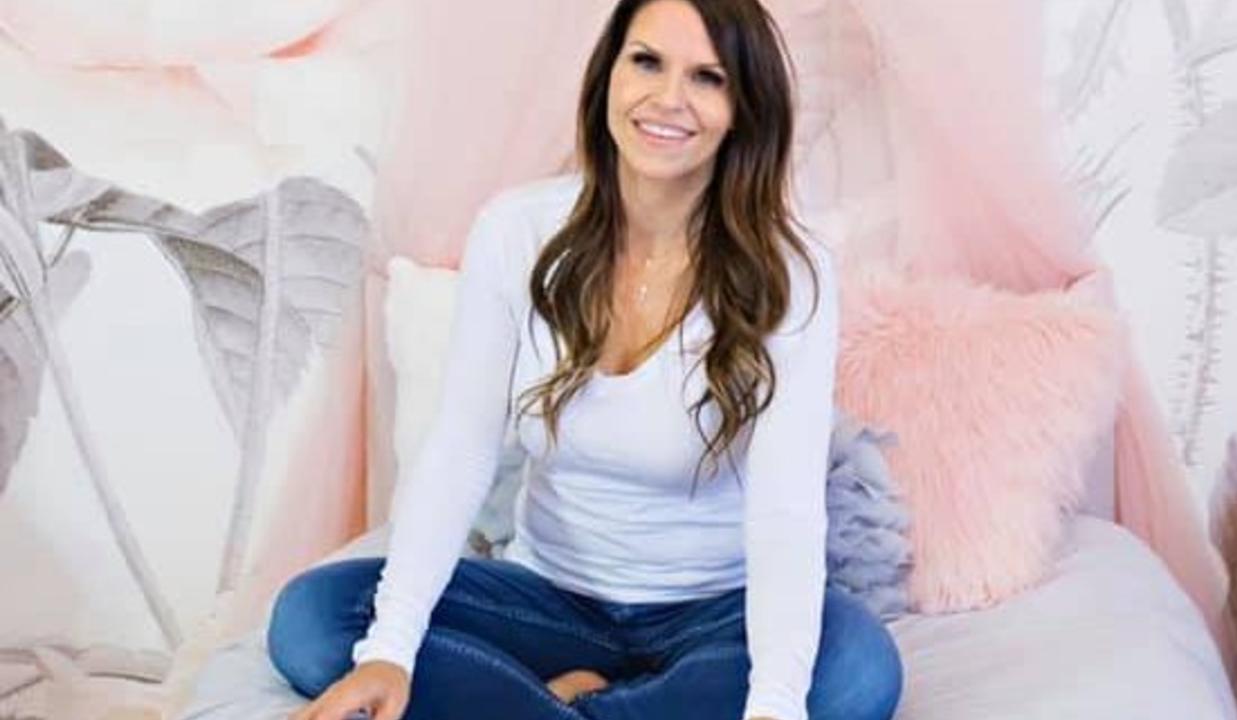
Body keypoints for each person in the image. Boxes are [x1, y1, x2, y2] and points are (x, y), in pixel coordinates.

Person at [265, 1, 903, 718]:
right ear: (609, 75)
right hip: (546, 604)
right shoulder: (516, 230)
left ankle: (571, 706)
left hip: (717, 612)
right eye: (647, 62)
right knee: (312, 620)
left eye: (708, 78)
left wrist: (776, 703)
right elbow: (460, 447)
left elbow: (786, 506)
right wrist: (390, 648)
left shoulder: (791, 272)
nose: (669, 98)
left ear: (743, 109)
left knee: (857, 669)